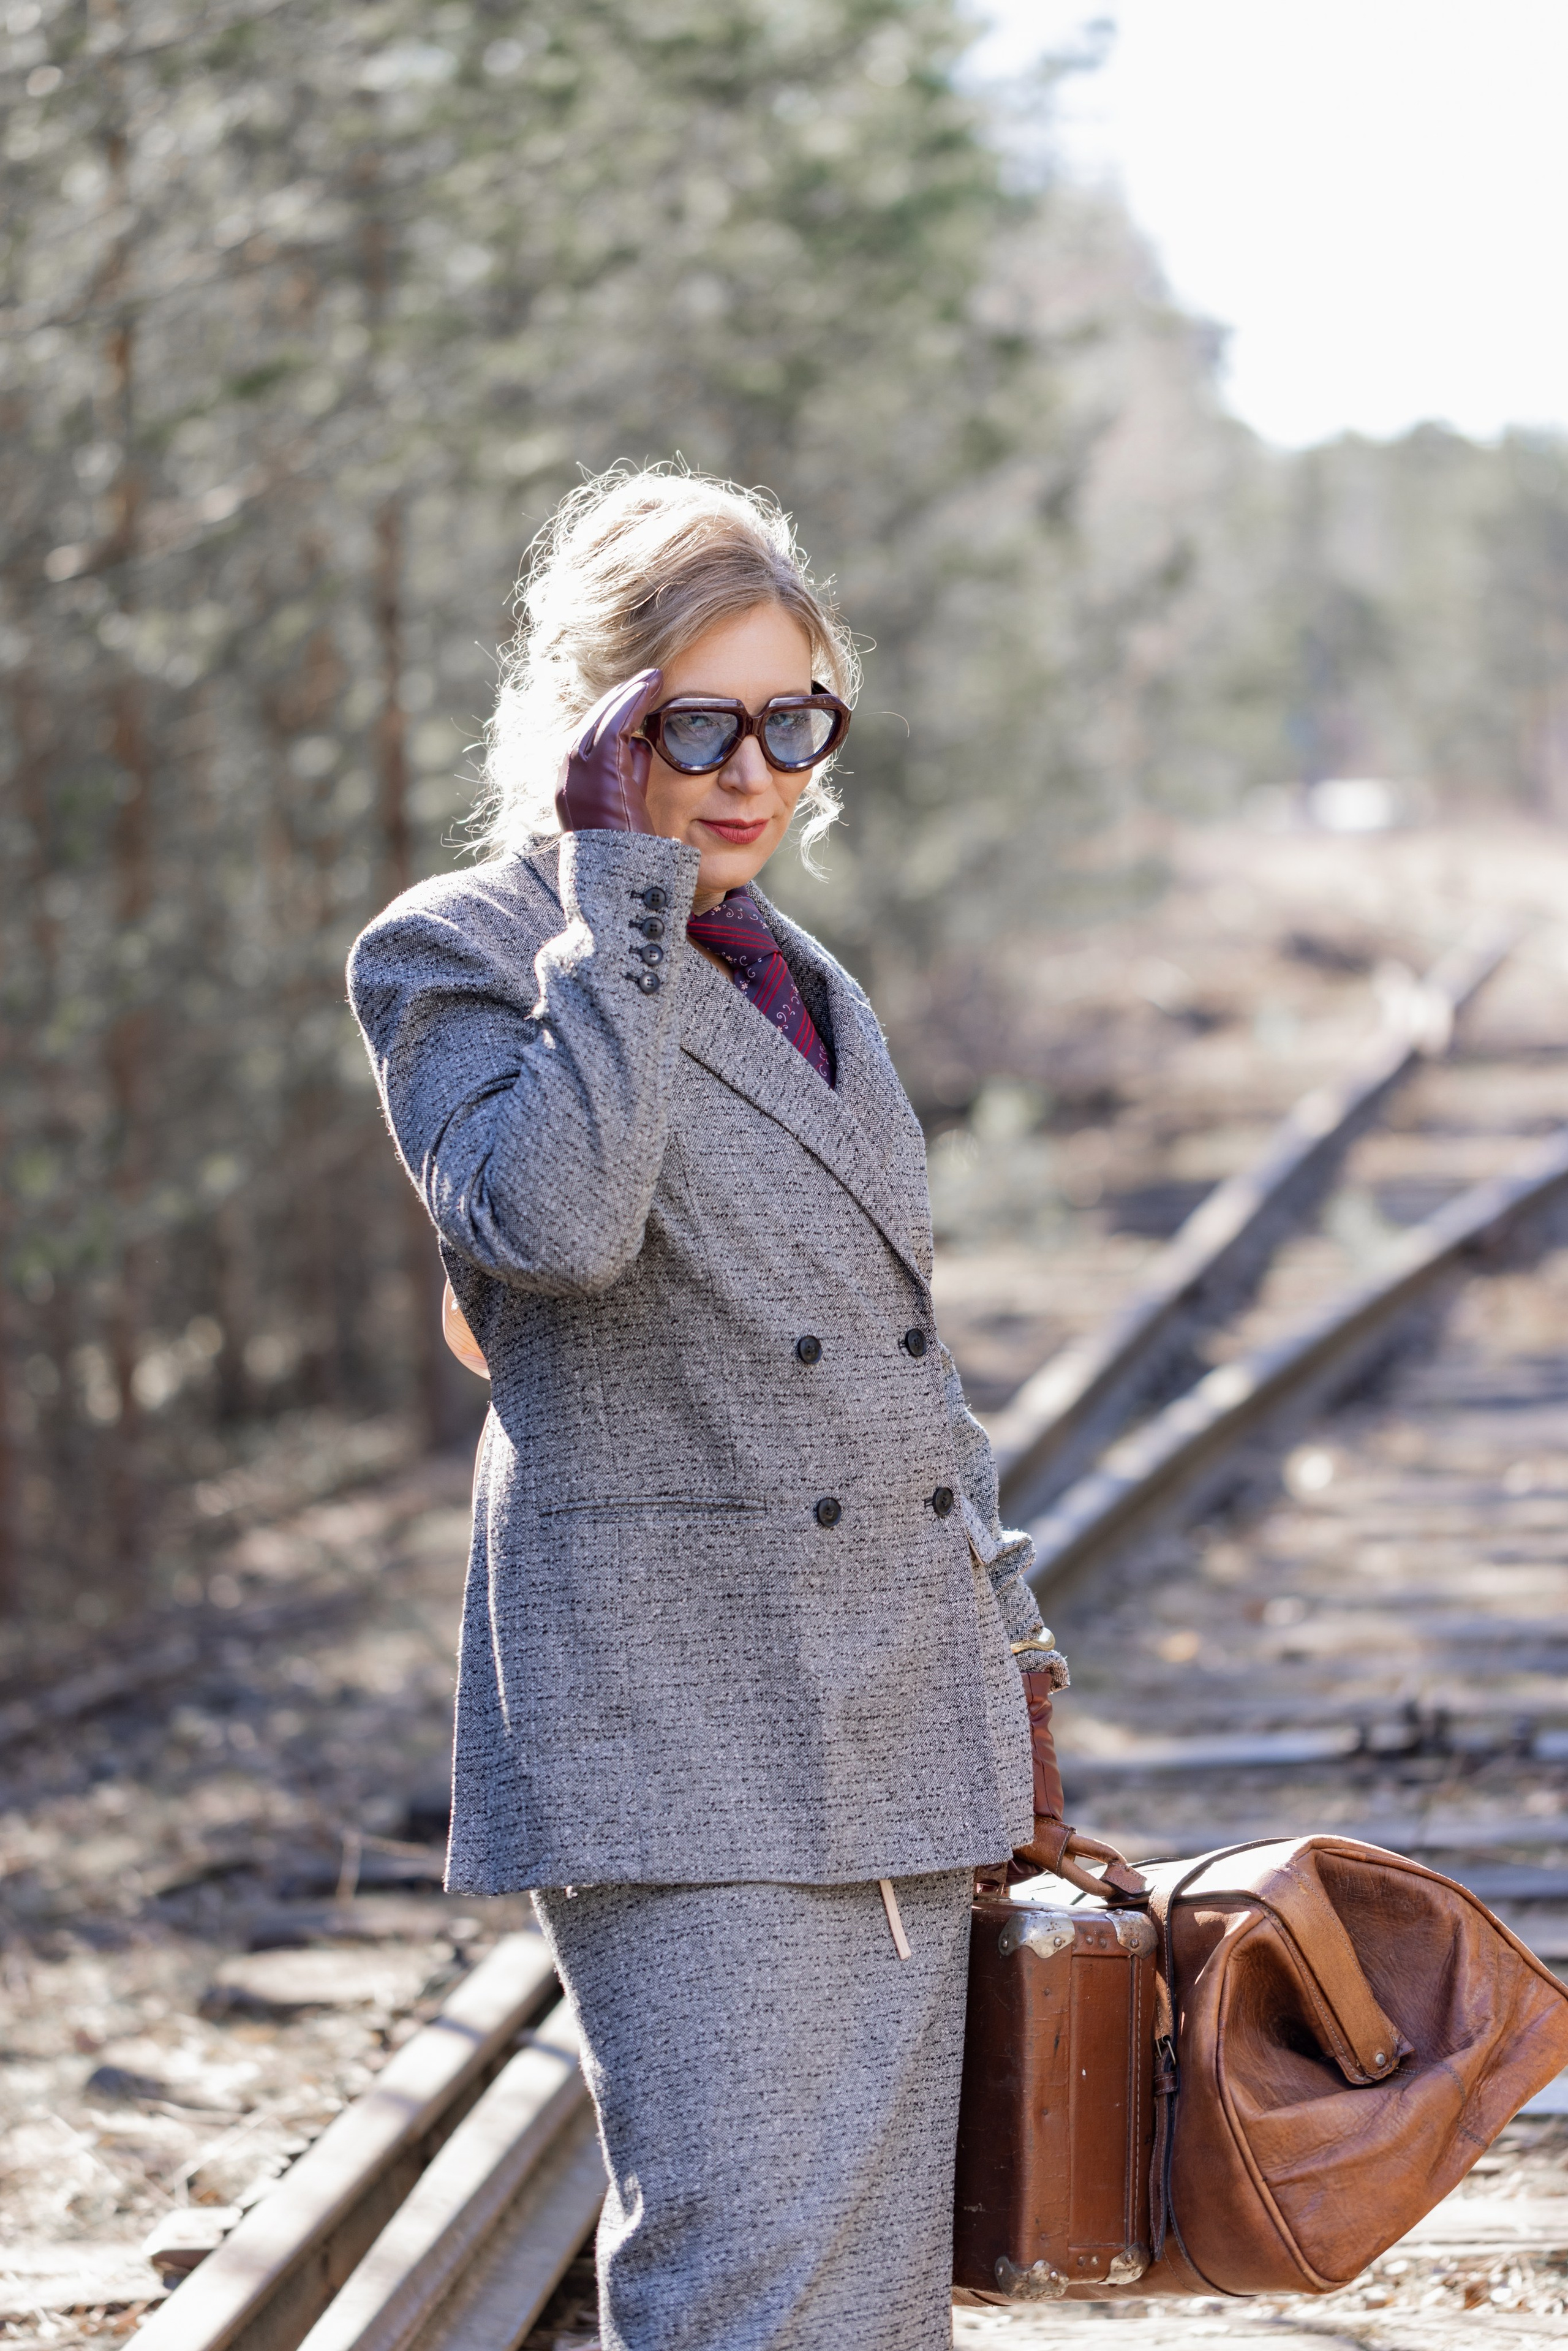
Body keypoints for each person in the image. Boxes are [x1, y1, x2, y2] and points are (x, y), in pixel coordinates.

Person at [347, 465, 1128, 2351]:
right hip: (679, 1735)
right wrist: (613, 884)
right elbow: (552, 1226)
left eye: (791, 720)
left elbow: (903, 1369)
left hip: (896, 1715)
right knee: (739, 2285)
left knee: (869, 2304)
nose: (751, 770)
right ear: (592, 725)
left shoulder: (810, 984)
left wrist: (1013, 1666)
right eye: (694, 722)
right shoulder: (459, 947)